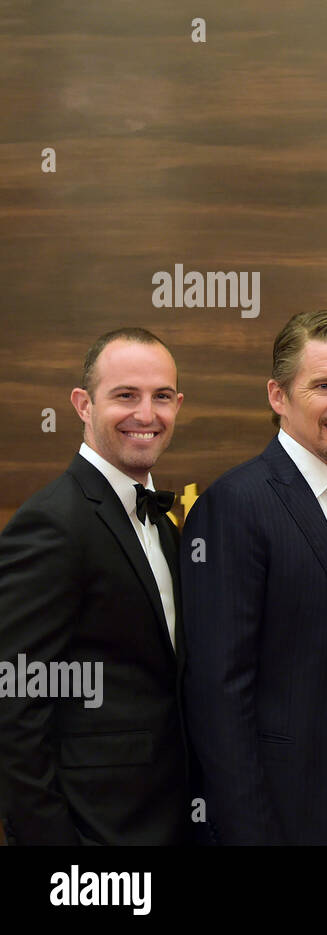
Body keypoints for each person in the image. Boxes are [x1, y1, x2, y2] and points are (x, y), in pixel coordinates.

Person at [182, 310, 327, 845]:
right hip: (277, 820)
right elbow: (217, 694)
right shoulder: (234, 505)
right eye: (325, 385)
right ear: (278, 396)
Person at [0, 328, 191, 845]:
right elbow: (14, 704)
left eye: (162, 397)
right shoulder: (54, 523)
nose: (147, 414)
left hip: (166, 821)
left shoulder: (165, 527)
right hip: (92, 836)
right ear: (83, 405)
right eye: (125, 395)